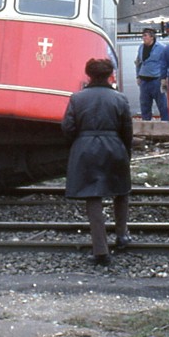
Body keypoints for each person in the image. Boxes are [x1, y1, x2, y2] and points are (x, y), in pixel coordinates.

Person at [61, 58, 132, 266]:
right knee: (121, 191)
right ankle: (122, 235)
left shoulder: (77, 98)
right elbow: (127, 130)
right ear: (110, 75)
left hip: (85, 148)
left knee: (93, 197)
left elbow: (67, 127)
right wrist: (126, 152)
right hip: (114, 146)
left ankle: (100, 250)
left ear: (88, 75)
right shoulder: (120, 99)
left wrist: (80, 142)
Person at [134, 27, 168, 121]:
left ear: (152, 37)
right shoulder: (141, 47)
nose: (143, 38)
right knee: (144, 105)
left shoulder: (162, 48)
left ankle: (166, 125)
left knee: (162, 105)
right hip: (144, 81)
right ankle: (146, 125)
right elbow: (138, 62)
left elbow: (166, 63)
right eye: (143, 36)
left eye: (145, 36)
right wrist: (137, 75)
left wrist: (165, 78)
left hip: (156, 80)